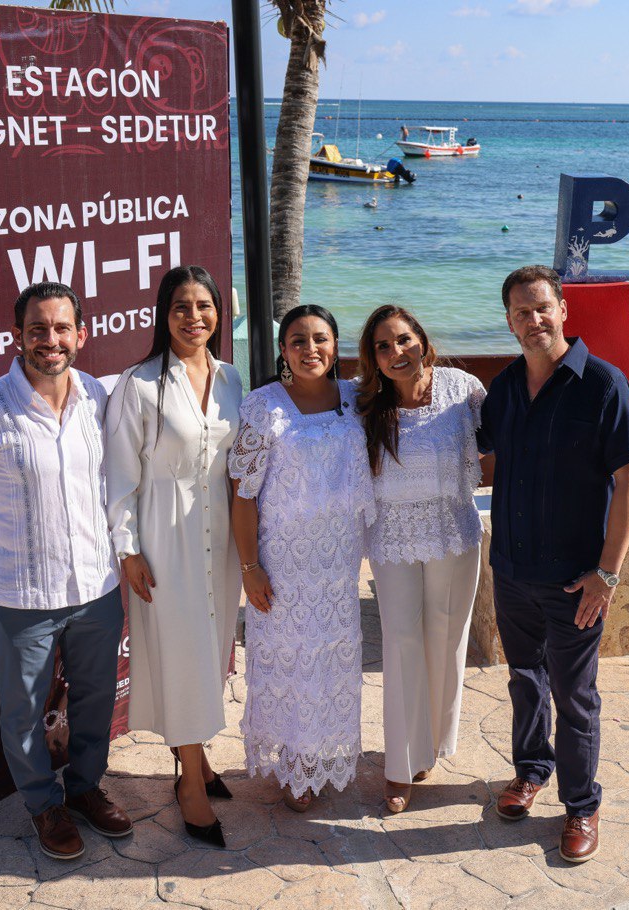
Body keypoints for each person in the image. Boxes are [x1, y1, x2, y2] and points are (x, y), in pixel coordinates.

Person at [0, 281, 131, 861]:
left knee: (96, 699)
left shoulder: (100, 398)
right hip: (21, 597)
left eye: (61, 328)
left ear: (82, 334)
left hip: (96, 588)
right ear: (17, 335)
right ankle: (43, 806)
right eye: (38, 329)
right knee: (22, 711)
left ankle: (85, 788)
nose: (50, 340)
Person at [478, 265, 629, 864]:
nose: (533, 320)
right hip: (512, 572)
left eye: (542, 308)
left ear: (563, 310)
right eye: (521, 312)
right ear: (508, 320)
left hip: (577, 580)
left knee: (575, 695)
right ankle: (531, 771)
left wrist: (607, 572)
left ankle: (581, 805)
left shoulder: (603, 385)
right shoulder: (501, 391)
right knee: (524, 679)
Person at [104, 265, 243, 848]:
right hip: (166, 540)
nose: (194, 317)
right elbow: (118, 479)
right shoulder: (138, 386)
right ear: (163, 315)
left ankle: (198, 755)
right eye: (181, 307)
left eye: (204, 306)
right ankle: (188, 779)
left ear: (219, 312)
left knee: (210, 649)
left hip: (221, 542)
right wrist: (128, 549)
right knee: (182, 650)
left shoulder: (233, 378)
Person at [228, 304, 373, 812]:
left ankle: (318, 758)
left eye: (320, 339)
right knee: (289, 661)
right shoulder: (263, 406)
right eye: (297, 340)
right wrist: (250, 567)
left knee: (332, 661)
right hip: (283, 561)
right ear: (282, 351)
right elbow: (243, 493)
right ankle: (294, 765)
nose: (310, 349)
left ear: (335, 346)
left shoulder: (358, 398)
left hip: (337, 564)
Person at [354, 305, 485, 814]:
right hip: (392, 537)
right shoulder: (366, 404)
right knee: (402, 640)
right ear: (373, 359)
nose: (396, 353)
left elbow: (509, 434)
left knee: (447, 636)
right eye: (383, 347)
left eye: (403, 340)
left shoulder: (462, 388)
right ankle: (401, 765)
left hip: (454, 532)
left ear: (422, 341)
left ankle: (432, 742)